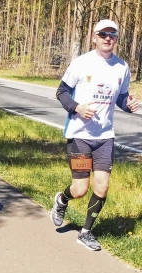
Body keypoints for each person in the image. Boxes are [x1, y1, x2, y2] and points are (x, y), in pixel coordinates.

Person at [51, 19, 139, 251]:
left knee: (102, 188)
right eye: (103, 34)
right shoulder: (81, 63)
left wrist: (127, 104)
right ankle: (62, 199)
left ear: (117, 38)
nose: (107, 38)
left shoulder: (122, 67)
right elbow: (61, 92)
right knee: (80, 190)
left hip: (105, 137)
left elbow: (121, 96)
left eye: (112, 34)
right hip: (80, 135)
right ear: (94, 37)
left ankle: (86, 232)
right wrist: (77, 107)